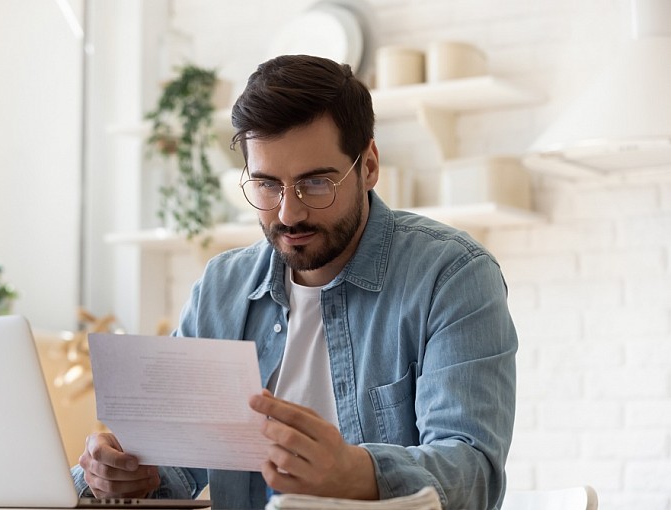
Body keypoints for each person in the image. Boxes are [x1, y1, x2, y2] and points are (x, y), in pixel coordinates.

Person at [72, 54, 517, 510]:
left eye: (316, 183)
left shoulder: (453, 275)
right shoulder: (222, 286)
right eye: (266, 185)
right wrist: (117, 471)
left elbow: (474, 473)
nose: (289, 213)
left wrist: (356, 473)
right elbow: (175, 463)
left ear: (368, 166)